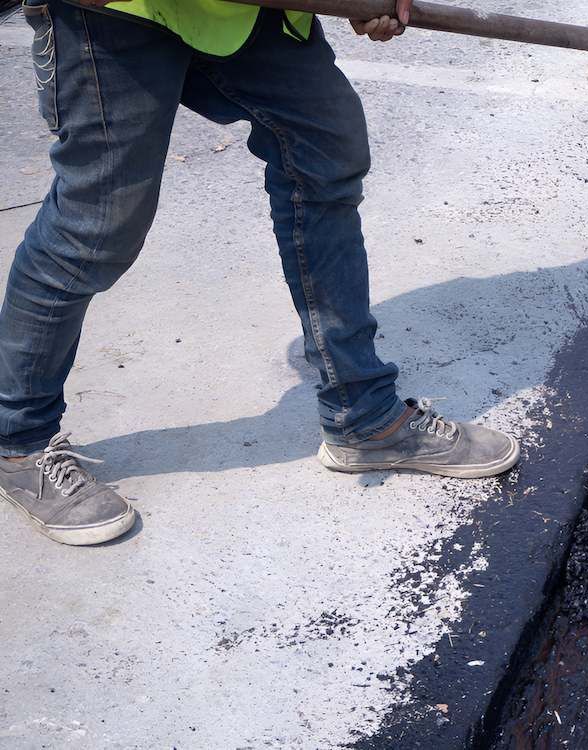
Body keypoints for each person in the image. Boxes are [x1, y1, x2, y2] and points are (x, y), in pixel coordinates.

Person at [0, 0, 520, 546]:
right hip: (116, 11)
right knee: (99, 222)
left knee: (324, 154)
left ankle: (363, 416)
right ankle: (19, 440)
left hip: (246, 13)